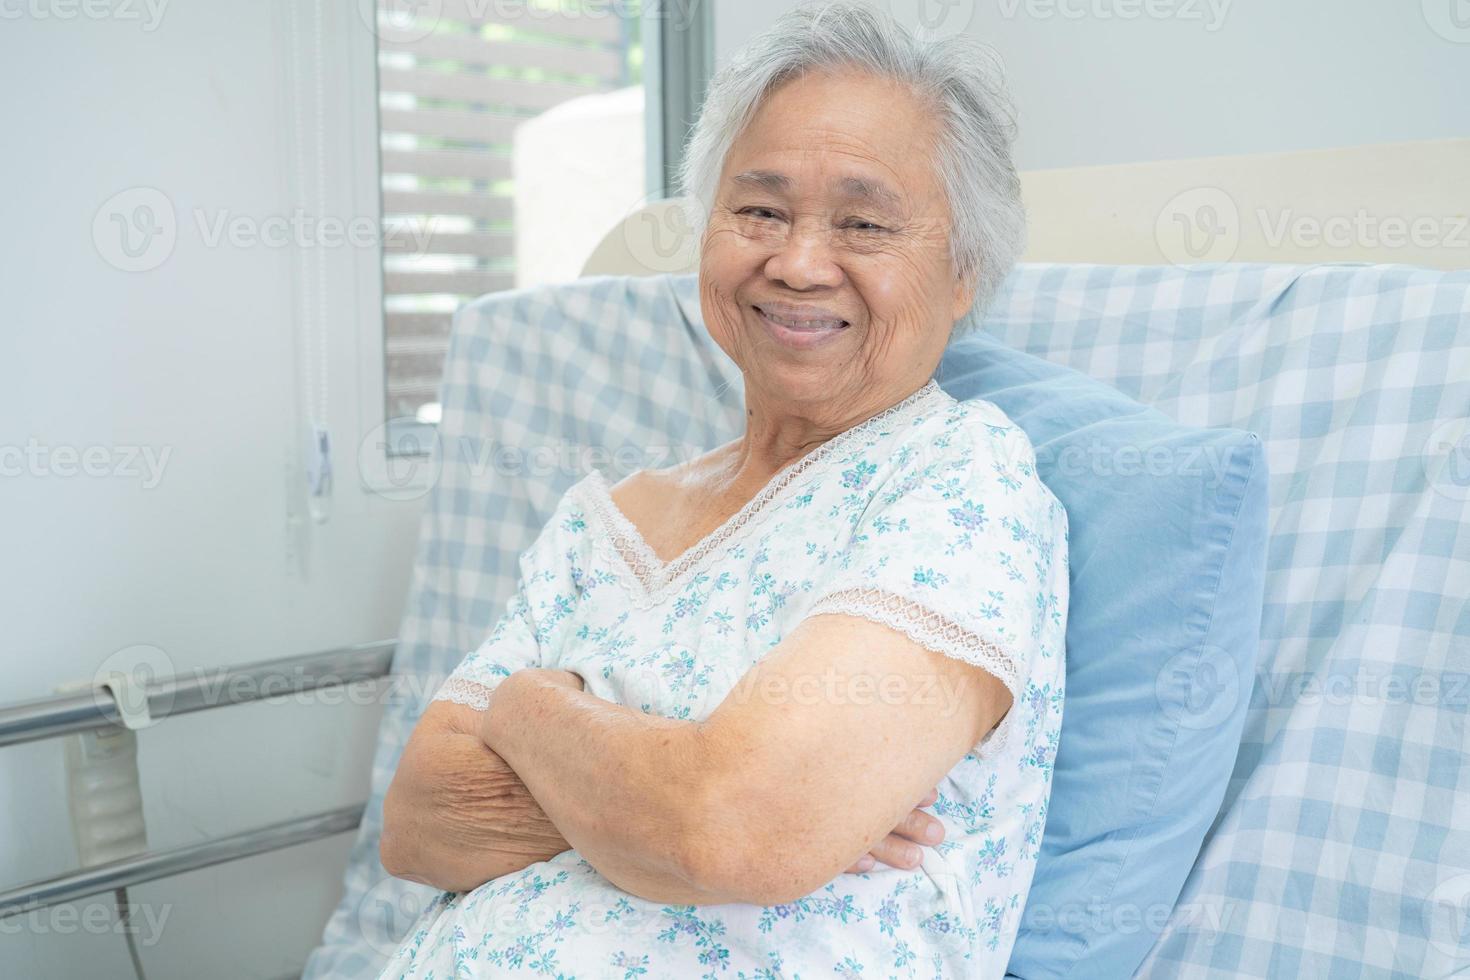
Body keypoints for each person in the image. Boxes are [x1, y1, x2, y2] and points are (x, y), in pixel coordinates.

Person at [377, 2, 1068, 975]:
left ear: (962, 275)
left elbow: (733, 827)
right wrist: (689, 770)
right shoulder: (600, 524)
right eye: (761, 209)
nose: (796, 262)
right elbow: (417, 824)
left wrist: (531, 713)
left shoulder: (963, 483)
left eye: (863, 222)